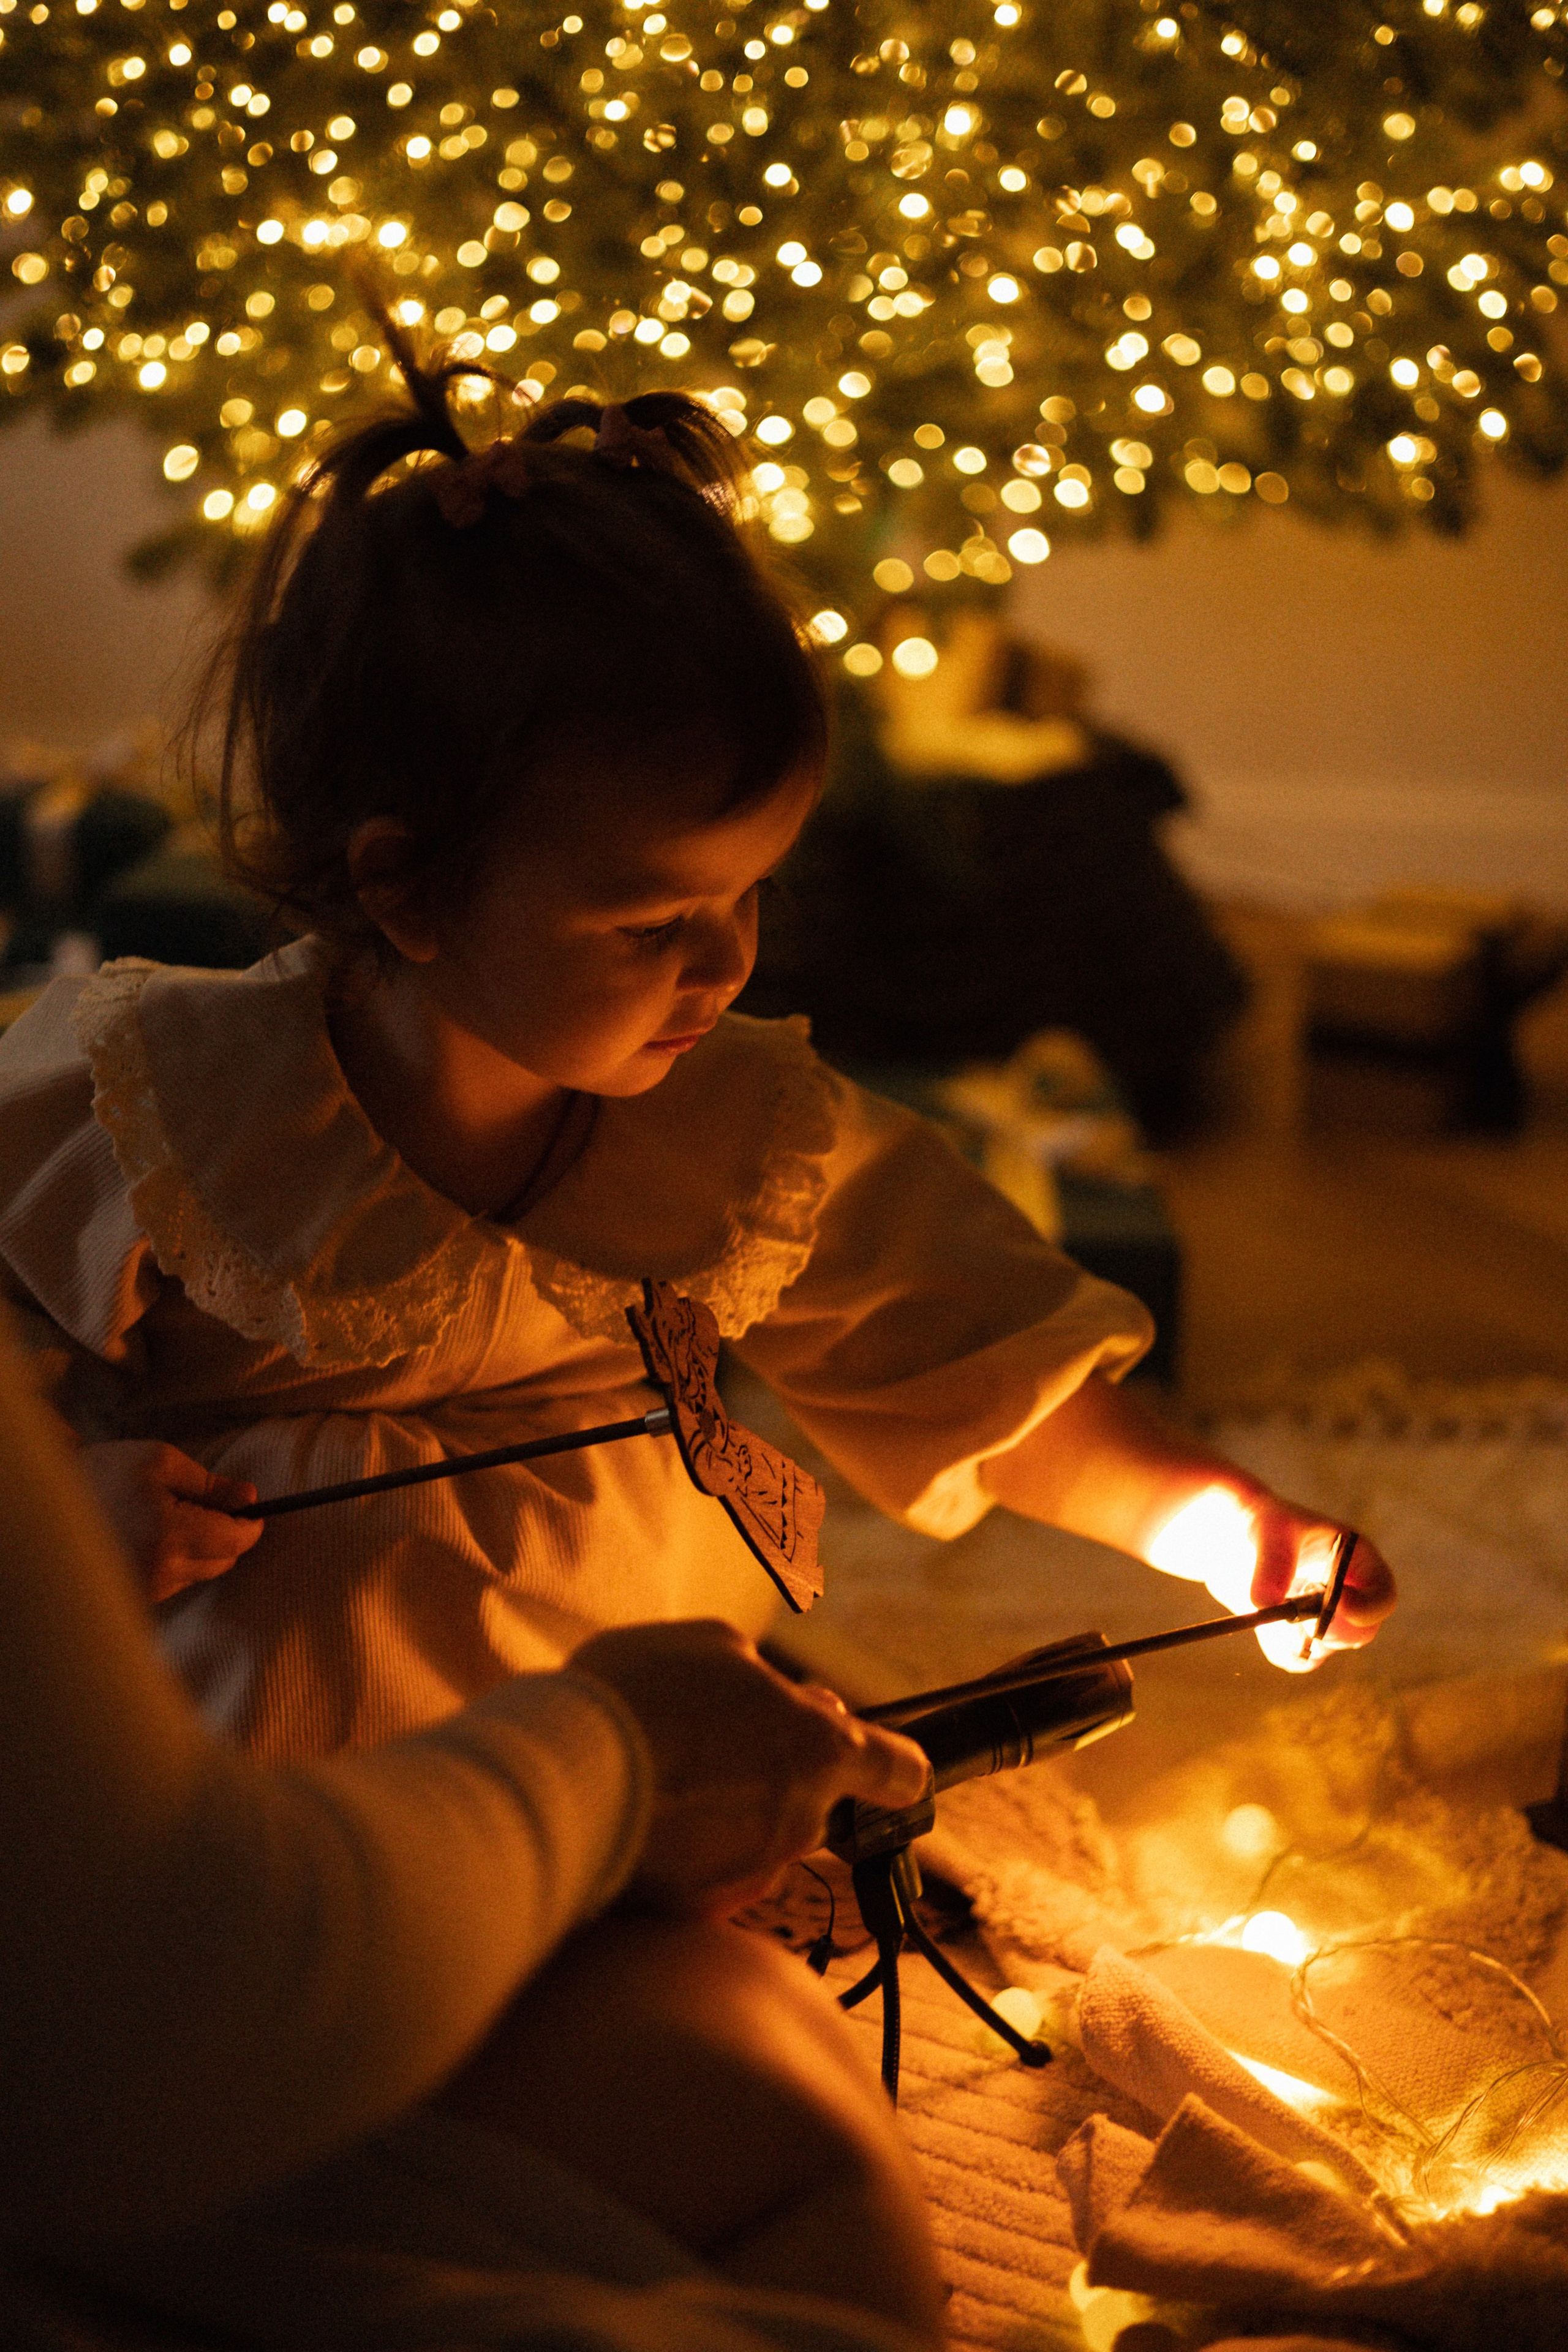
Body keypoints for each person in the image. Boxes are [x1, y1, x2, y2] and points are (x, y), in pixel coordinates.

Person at [0, 325, 1395, 1760]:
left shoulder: (743, 1137)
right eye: (652, 921)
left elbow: (967, 1359)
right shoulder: (166, 1110)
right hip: (248, 1787)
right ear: (406, 888)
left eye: (747, 894)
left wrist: (1218, 1523)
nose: (726, 963)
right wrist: (60, 1505)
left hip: (630, 1765)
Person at [0, 1303, 946, 2351]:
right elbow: (145, 2007)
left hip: (201, 2050)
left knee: (745, 2047)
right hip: (129, 2131)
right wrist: (616, 1756)